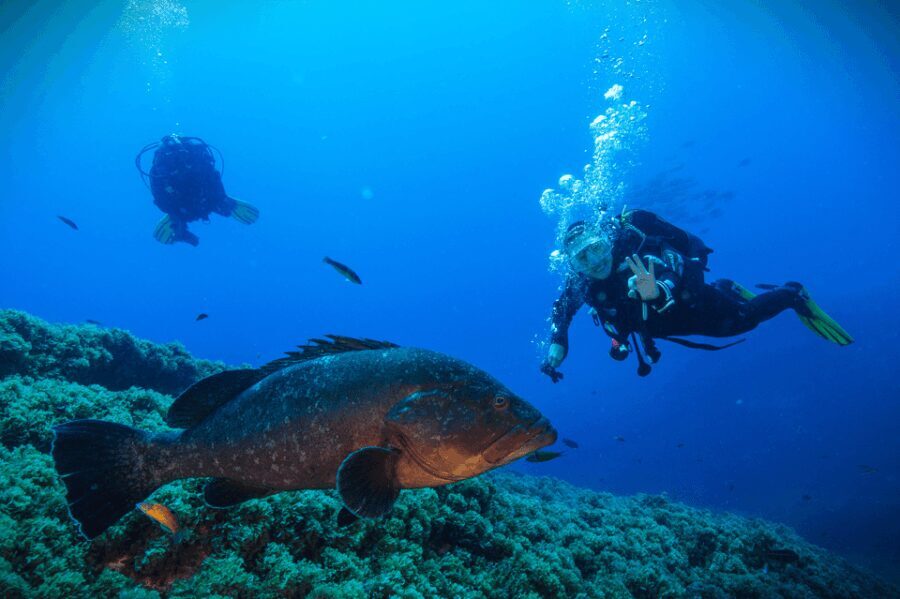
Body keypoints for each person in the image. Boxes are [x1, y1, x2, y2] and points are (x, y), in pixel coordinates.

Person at [541, 208, 852, 379]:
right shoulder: (580, 280)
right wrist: (558, 344)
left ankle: (793, 294)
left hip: (689, 302)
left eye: (596, 249)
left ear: (605, 241)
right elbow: (562, 310)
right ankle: (727, 286)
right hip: (655, 326)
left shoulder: (636, 249)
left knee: (740, 321)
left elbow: (670, 267)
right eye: (583, 257)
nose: (594, 261)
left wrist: (656, 291)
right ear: (572, 264)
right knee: (727, 315)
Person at [135, 134, 259, 246]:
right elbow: (160, 198)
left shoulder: (194, 158)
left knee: (215, 202)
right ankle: (183, 219)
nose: (178, 163)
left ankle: (219, 204)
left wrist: (220, 198)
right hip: (186, 205)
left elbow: (213, 177)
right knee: (183, 216)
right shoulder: (161, 171)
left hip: (203, 199)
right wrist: (176, 218)